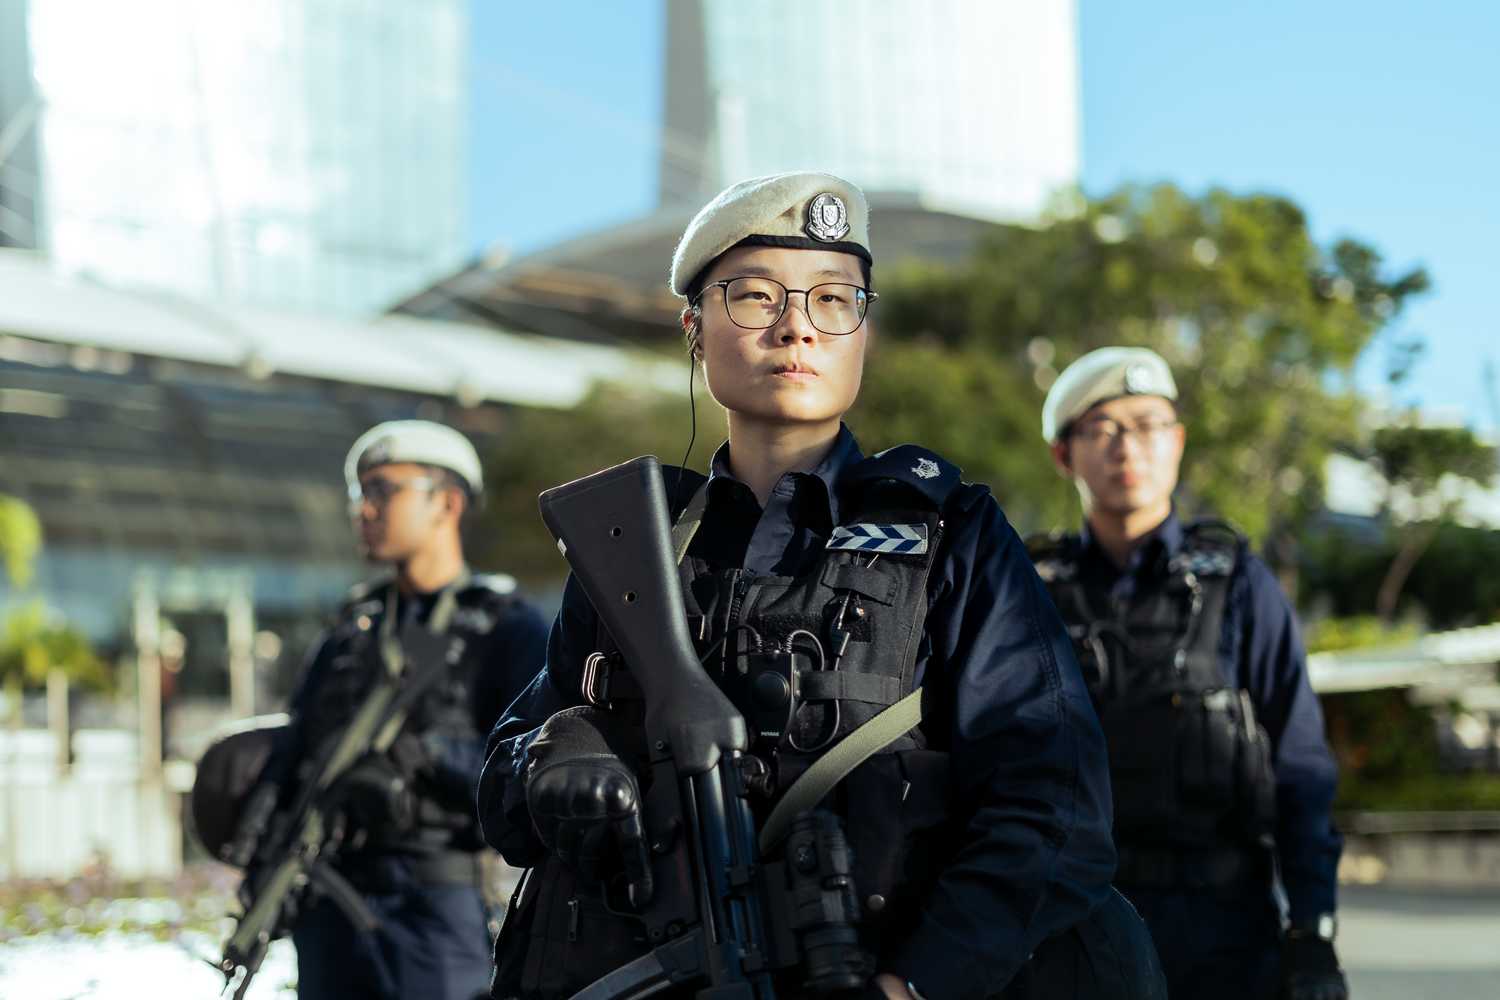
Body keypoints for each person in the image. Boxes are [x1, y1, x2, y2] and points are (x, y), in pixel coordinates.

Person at [478, 173, 1164, 999]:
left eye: (834, 299)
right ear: (694, 330)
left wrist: (913, 985)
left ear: (861, 332)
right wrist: (553, 760)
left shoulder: (952, 534)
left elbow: (1054, 806)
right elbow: (505, 790)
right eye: (755, 296)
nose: (797, 327)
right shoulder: (634, 544)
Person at [1029, 347, 1347, 1000]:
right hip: (1074, 929)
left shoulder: (1238, 585)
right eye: (1103, 428)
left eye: (1148, 425)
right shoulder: (1029, 592)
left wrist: (1311, 931)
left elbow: (1301, 765)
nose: (1129, 448)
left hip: (1226, 932)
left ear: (1177, 443)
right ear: (1064, 454)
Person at [232, 420, 550, 1000]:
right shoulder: (352, 630)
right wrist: (261, 858)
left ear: (446, 503)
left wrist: (423, 756)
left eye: (383, 491)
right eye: (360, 494)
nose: (364, 509)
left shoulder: (505, 625)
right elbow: (298, 750)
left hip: (432, 904)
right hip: (328, 902)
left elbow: (531, 765)